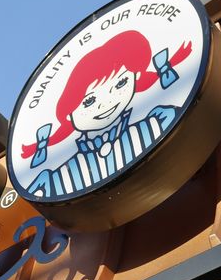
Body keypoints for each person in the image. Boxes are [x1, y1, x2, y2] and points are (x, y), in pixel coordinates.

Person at [20, 30, 192, 198]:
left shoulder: (157, 122)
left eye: (120, 83)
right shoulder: (56, 180)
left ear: (134, 78)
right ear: (69, 115)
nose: (106, 103)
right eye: (88, 101)